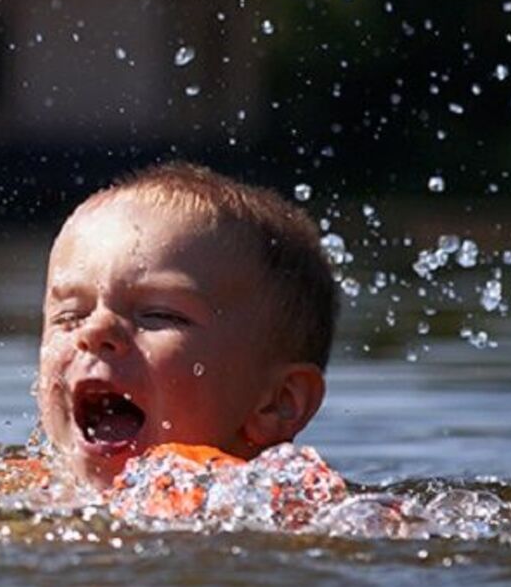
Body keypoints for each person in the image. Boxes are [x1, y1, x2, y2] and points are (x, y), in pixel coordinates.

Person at [33, 162, 339, 509]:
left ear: (278, 402)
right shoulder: (16, 492)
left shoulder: (285, 512)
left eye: (159, 315)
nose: (94, 330)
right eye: (70, 315)